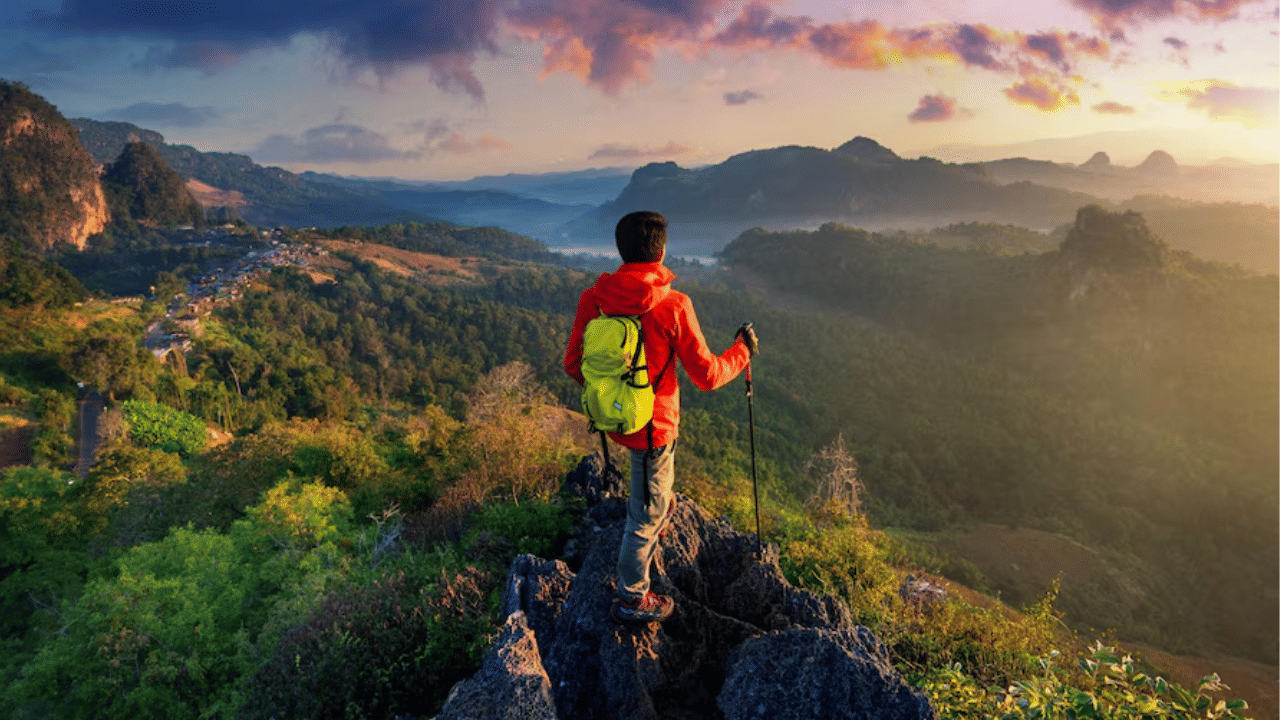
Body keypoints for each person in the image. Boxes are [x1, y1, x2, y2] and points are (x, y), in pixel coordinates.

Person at [564, 210, 759, 624]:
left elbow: (573, 364)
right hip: (656, 427)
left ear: (621, 250)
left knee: (650, 489)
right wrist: (741, 353)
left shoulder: (594, 299)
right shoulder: (674, 305)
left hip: (616, 422)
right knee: (643, 516)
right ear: (662, 251)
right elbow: (706, 375)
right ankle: (632, 598)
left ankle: (660, 505)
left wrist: (612, 393)